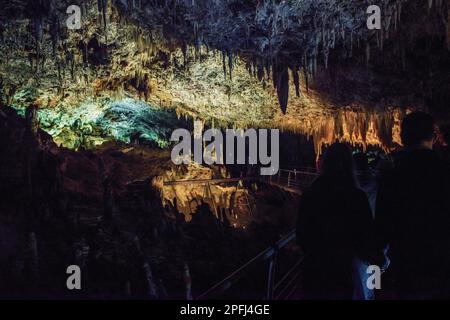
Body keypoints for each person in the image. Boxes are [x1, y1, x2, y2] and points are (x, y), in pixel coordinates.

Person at [374, 112, 450, 299]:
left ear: (403, 138)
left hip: (407, 265)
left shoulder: (392, 178)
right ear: (433, 136)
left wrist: (377, 264)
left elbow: (383, 226)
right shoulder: (445, 172)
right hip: (443, 265)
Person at [297, 143, 374, 299]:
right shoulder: (357, 197)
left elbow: (302, 234)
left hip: (315, 268)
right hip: (344, 269)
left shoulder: (310, 194)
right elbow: (366, 235)